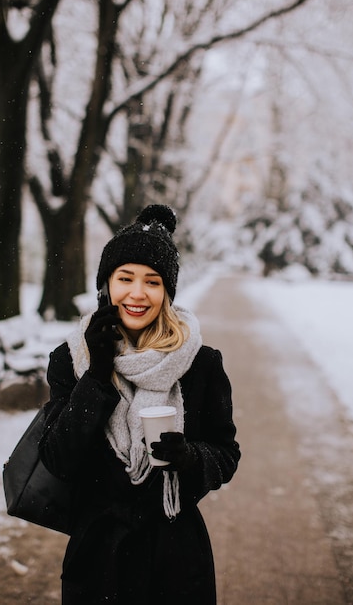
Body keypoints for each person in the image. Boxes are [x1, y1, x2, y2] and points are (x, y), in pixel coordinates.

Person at [39, 204, 240, 605]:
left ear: (167, 292)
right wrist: (96, 374)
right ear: (106, 285)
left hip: (176, 557)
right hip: (98, 558)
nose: (137, 293)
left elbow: (226, 453)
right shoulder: (72, 360)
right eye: (125, 277)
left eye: (152, 281)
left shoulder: (200, 363)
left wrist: (192, 458)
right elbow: (58, 459)